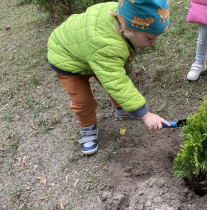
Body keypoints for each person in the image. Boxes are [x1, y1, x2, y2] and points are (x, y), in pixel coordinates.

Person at [47, 0, 171, 155]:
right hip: (67, 58)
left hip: (89, 51)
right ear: (128, 29)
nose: (153, 42)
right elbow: (117, 83)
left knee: (110, 77)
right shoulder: (109, 45)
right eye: (149, 38)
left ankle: (121, 109)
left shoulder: (122, 13)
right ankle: (88, 130)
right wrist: (145, 115)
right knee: (83, 100)